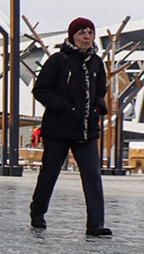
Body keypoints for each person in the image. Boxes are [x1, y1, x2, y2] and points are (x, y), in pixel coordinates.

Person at [29, 17, 111, 235]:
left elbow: (100, 91)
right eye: (82, 33)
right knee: (50, 173)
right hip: (59, 128)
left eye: (90, 32)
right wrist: (66, 108)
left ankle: (95, 224)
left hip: (87, 129)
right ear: (72, 36)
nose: (87, 37)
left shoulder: (96, 62)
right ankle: (38, 212)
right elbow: (41, 90)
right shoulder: (58, 60)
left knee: (93, 175)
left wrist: (98, 109)